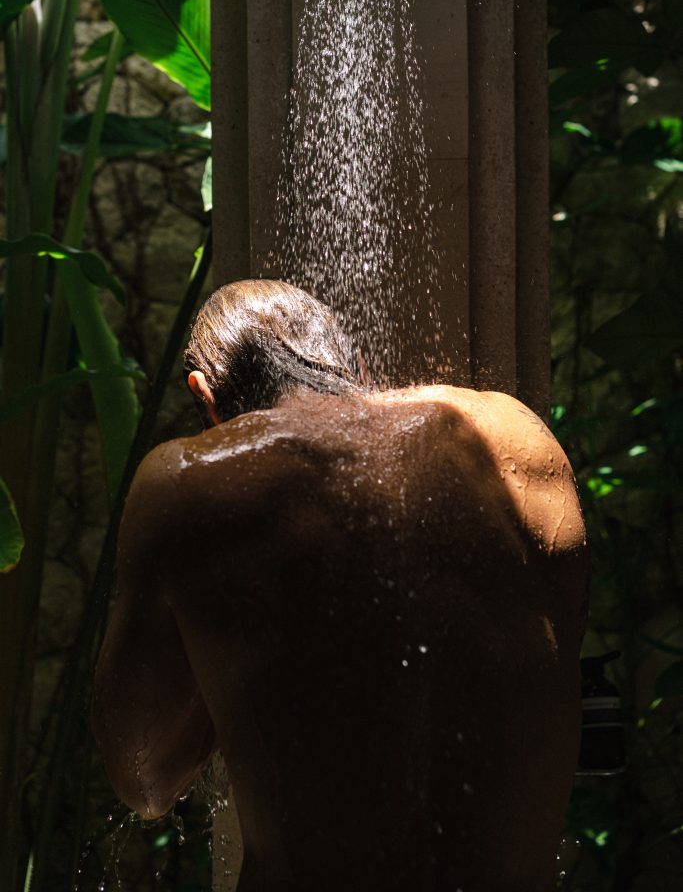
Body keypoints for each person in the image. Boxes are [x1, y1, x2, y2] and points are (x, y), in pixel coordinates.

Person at [93, 280, 588, 892]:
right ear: (354, 364)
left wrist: (229, 662)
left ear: (205, 396)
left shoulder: (188, 482)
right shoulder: (515, 436)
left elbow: (143, 781)